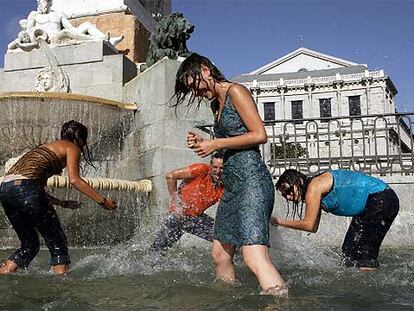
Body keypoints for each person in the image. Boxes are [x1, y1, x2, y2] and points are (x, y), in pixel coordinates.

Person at [173, 53, 286, 296]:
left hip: (252, 183)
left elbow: (259, 135)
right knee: (219, 253)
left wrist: (215, 143)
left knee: (254, 257)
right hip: (233, 187)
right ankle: (228, 301)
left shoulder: (237, 91)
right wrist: (205, 143)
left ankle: (282, 303)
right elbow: (228, 143)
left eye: (194, 85)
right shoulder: (216, 104)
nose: (195, 93)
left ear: (205, 70)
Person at [0, 120, 117, 275]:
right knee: (57, 241)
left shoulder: (45, 147)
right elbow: (74, 180)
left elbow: (29, 188)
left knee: (29, 245)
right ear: (77, 136)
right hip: (25, 189)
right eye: (84, 138)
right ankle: (61, 284)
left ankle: (4, 273)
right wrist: (103, 201)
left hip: (5, 189)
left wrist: (61, 202)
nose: (84, 143)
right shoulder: (72, 147)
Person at [271, 169, 399, 271]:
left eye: (288, 190)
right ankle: (357, 286)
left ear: (298, 181)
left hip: (381, 198)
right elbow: (313, 228)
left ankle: (368, 294)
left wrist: (278, 221)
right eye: (284, 195)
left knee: (366, 255)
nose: (288, 196)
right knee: (348, 253)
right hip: (368, 207)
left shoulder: (314, 187)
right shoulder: (314, 192)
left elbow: (308, 224)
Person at [151, 153, 224, 252]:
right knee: (156, 252)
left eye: (222, 168)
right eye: (215, 167)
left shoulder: (224, 186)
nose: (218, 171)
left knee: (225, 237)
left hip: (196, 219)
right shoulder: (201, 170)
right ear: (210, 166)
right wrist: (177, 202)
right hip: (178, 216)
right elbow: (170, 176)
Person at [26, 0, 123, 46]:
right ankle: (100, 40)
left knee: (87, 25)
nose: (43, 3)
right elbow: (28, 32)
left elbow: (70, 27)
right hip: (48, 39)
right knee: (65, 33)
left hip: (59, 35)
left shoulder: (58, 14)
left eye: (46, 1)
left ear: (50, 3)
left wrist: (77, 32)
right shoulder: (34, 15)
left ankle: (109, 41)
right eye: (41, 1)